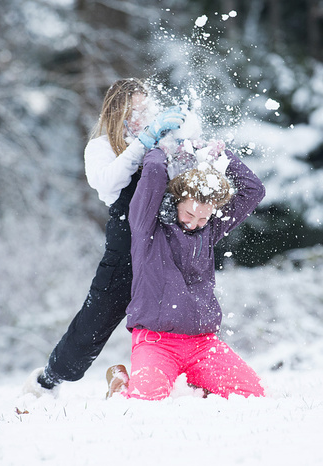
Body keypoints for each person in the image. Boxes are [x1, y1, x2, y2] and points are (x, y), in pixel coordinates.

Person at [23, 78, 186, 396]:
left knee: (175, 309)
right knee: (97, 316)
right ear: (118, 111)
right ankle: (48, 381)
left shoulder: (158, 142)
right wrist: (143, 143)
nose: (142, 115)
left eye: (146, 108)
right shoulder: (100, 146)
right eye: (134, 109)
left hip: (161, 236)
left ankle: (172, 379)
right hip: (125, 243)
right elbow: (107, 185)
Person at [106, 131, 266, 400]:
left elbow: (254, 190)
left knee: (252, 395)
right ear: (176, 201)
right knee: (146, 402)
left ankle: (195, 382)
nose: (194, 223)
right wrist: (163, 147)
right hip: (156, 341)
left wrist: (220, 155)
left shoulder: (210, 230)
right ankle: (120, 383)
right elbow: (154, 170)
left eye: (203, 217)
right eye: (189, 214)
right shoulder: (148, 227)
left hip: (203, 343)